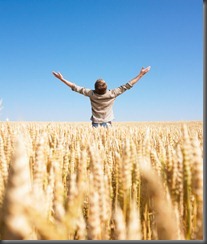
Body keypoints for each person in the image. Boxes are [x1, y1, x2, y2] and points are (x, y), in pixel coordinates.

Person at [52, 66, 151, 128]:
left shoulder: (91, 93)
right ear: (106, 87)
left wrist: (62, 79)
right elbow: (128, 85)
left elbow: (74, 87)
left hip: (95, 123)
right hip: (107, 123)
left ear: (95, 87)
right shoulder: (112, 93)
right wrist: (141, 74)